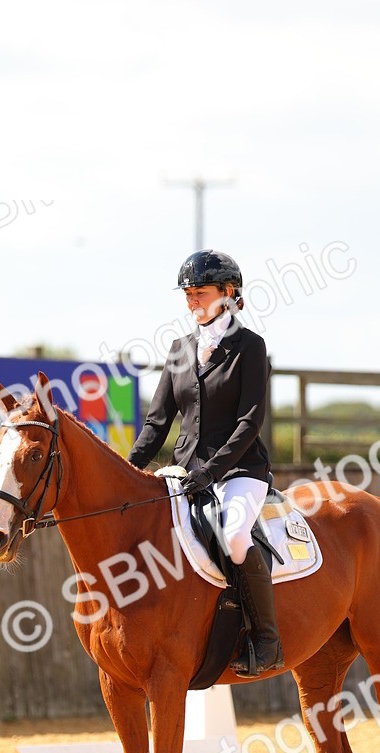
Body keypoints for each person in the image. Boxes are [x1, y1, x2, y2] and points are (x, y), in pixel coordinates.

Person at [128, 249, 283, 676]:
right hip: (184, 473)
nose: (192, 300)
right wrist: (126, 469)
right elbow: (157, 423)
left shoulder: (250, 347)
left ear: (228, 293)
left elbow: (250, 421)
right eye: (188, 294)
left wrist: (210, 472)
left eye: (200, 292)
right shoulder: (180, 349)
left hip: (239, 471)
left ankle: (266, 639)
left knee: (234, 536)